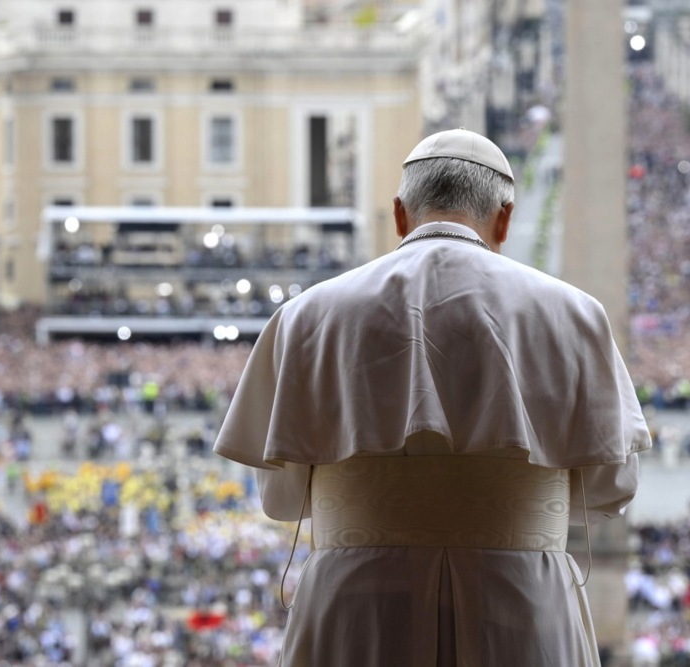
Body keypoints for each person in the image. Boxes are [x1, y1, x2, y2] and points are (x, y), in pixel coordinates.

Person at [213, 128, 652, 666]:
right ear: (505, 220)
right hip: (521, 603)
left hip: (358, 604)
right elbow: (609, 490)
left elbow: (281, 499)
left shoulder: (307, 317)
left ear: (399, 215)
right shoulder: (575, 315)